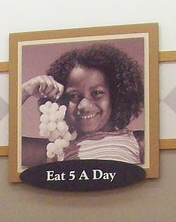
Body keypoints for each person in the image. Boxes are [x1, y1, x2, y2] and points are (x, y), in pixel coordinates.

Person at [19, 42, 145, 170]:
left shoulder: (138, 141)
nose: (84, 105)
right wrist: (25, 90)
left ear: (116, 95)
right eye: (74, 96)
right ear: (61, 101)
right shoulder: (56, 149)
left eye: (96, 93)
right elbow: (5, 147)